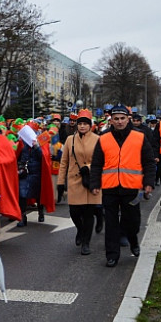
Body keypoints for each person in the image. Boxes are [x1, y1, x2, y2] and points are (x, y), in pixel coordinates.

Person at [89, 104, 156, 267]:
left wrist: (148, 182)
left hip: (131, 188)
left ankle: (133, 241)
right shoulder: (103, 138)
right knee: (111, 223)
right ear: (111, 120)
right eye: (116, 119)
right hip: (110, 188)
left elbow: (148, 162)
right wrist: (95, 183)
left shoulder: (139, 137)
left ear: (128, 119)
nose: (119, 122)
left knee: (131, 221)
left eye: (122, 118)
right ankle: (112, 255)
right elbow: (97, 163)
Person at [57, 109, 102, 254]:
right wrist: (60, 182)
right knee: (74, 212)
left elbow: (102, 160)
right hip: (74, 180)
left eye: (85, 124)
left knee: (89, 213)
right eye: (80, 123)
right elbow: (63, 162)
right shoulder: (70, 140)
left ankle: (86, 243)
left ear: (90, 126)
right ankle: (80, 230)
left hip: (91, 180)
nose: (82, 126)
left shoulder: (97, 139)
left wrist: (88, 167)